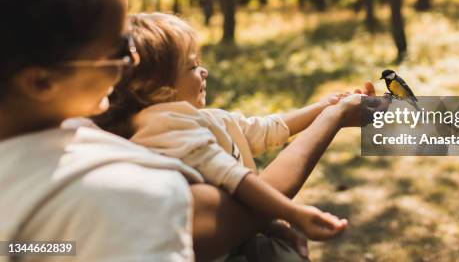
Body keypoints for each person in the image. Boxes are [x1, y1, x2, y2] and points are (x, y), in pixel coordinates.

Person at [0, 0, 375, 262]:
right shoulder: (112, 196)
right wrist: (334, 119)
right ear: (40, 81)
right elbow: (224, 220)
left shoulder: (56, 145)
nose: (131, 61)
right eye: (118, 49)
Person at [95, 13, 357, 258]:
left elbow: (267, 129)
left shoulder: (205, 119)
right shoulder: (164, 124)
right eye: (192, 66)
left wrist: (325, 106)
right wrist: (293, 213)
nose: (204, 71)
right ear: (160, 91)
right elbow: (232, 176)